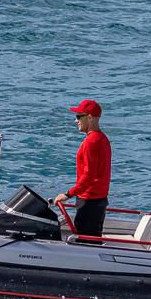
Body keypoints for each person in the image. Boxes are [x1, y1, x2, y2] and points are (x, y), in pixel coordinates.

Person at [54, 99, 111, 239]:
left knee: (86, 242)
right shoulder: (102, 138)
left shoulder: (91, 142)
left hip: (89, 202)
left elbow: (89, 176)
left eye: (78, 116)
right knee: (91, 238)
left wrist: (67, 194)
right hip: (98, 200)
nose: (76, 121)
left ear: (90, 118)